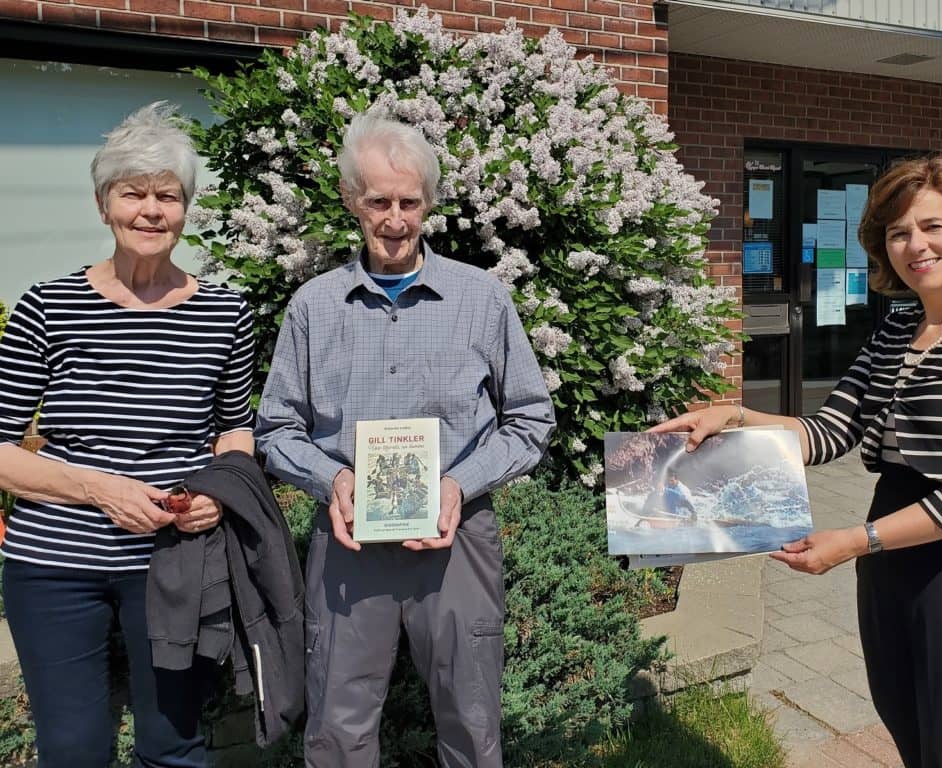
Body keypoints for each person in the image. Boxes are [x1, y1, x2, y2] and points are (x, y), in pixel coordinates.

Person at [652, 156, 942, 767]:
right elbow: (831, 430)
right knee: (911, 726)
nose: (915, 245)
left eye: (933, 226)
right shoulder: (897, 327)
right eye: (898, 232)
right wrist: (734, 416)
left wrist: (855, 540)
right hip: (889, 556)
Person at [254, 113, 555, 768]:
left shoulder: (482, 300)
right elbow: (276, 427)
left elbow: (531, 418)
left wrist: (459, 484)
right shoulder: (313, 307)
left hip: (456, 543)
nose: (394, 219)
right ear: (351, 201)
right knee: (337, 729)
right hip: (349, 545)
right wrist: (330, 479)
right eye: (378, 201)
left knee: (471, 724)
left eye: (408, 202)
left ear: (429, 204)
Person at [0, 103, 255, 767]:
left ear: (186, 208)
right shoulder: (46, 306)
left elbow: (235, 431)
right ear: (103, 204)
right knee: (74, 750)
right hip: (55, 566)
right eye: (132, 193)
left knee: (173, 747)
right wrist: (98, 490)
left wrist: (221, 494)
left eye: (167, 195)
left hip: (175, 564)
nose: (150, 210)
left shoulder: (226, 315)